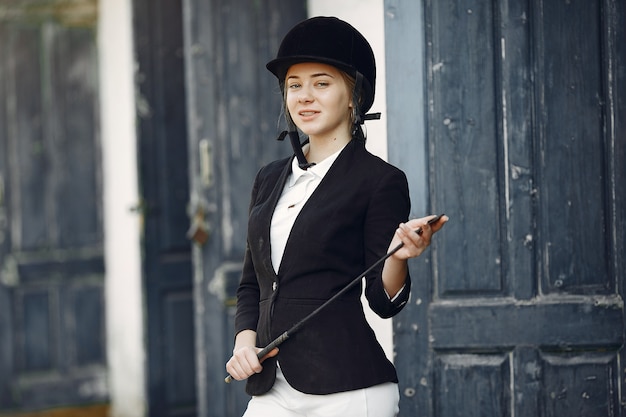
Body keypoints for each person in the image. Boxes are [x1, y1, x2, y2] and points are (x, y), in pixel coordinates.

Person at [225, 16, 447, 417]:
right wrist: (245, 343)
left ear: (353, 95)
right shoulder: (269, 177)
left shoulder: (379, 181)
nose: (304, 96)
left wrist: (398, 256)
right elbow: (251, 284)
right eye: (295, 85)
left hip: (348, 389)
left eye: (321, 83)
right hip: (271, 386)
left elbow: (382, 302)